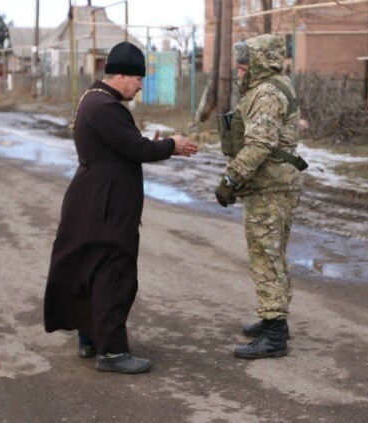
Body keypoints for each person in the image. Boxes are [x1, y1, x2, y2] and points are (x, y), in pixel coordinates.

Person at [44, 41, 198, 374]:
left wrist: (148, 143)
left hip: (94, 201)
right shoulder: (105, 107)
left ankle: (90, 339)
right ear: (122, 75)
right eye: (138, 78)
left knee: (91, 270)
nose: (141, 85)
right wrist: (172, 145)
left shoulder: (95, 99)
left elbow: (126, 146)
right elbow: (136, 148)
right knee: (114, 274)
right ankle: (112, 352)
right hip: (106, 207)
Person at [215, 34, 307, 359]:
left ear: (259, 62)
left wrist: (231, 178)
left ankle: (274, 332)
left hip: (270, 187)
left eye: (244, 65)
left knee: (265, 255)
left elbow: (259, 145)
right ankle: (273, 318)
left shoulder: (267, 92)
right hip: (274, 185)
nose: (240, 71)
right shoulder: (272, 85)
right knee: (273, 253)